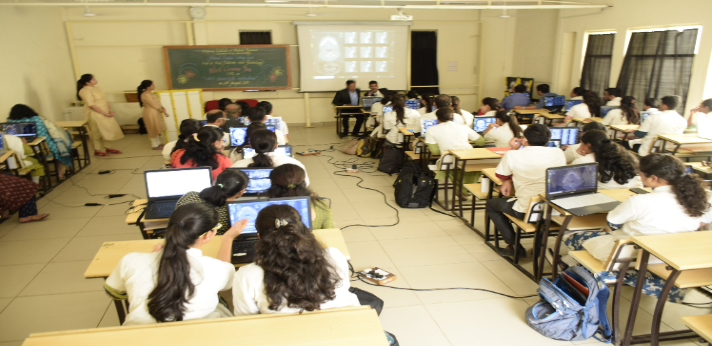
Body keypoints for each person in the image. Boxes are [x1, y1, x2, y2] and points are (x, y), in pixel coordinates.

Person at [564, 154, 712, 303]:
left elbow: (612, 220)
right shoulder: (702, 196)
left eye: (641, 174)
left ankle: (576, 276)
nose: (639, 177)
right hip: (672, 259)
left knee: (574, 237)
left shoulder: (640, 200)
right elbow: (702, 222)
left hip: (627, 256)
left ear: (653, 178)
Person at [104, 203, 244, 325]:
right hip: (199, 334)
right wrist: (228, 239)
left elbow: (114, 293)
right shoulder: (218, 268)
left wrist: (153, 258)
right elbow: (225, 278)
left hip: (139, 336)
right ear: (207, 235)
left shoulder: (131, 260)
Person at [231, 204, 360, 315]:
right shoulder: (334, 255)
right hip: (341, 326)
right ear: (302, 230)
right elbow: (344, 288)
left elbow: (245, 318)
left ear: (259, 236)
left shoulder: (245, 275)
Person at [487, 124, 566, 257]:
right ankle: (539, 246)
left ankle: (514, 246)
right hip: (554, 209)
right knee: (542, 211)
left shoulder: (513, 155)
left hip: (527, 210)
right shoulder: (558, 152)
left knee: (491, 204)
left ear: (524, 140)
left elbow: (501, 175)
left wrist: (513, 149)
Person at [425, 108, 486, 199]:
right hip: (469, 159)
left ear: (438, 119)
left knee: (453, 168)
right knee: (469, 168)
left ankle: (461, 188)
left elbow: (435, 151)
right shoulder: (463, 127)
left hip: (449, 162)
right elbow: (481, 142)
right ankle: (466, 189)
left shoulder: (431, 129)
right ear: (452, 117)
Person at [7, 105, 73, 179]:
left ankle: (35, 177)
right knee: (60, 150)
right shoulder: (36, 119)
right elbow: (42, 135)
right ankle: (60, 173)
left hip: (23, 151)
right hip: (45, 149)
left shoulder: (10, 122)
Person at [176, 169, 249, 235]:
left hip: (176, 240)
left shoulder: (190, 196)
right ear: (241, 192)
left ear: (215, 182)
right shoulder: (232, 213)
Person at [264, 164, 333, 229]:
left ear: (271, 183)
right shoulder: (321, 206)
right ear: (303, 182)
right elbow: (331, 233)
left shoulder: (265, 208)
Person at [232, 130, 310, 186]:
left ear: (251, 146)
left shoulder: (238, 165)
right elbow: (305, 184)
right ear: (276, 145)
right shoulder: (294, 164)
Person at [570, 130, 642, 190]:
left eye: (582, 143)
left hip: (601, 197)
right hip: (630, 192)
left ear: (588, 145)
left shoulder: (582, 161)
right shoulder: (627, 156)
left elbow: (572, 184)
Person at [76, 74, 124, 156]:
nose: (96, 80)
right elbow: (91, 105)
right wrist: (104, 113)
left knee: (107, 130)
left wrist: (110, 111)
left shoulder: (98, 88)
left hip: (104, 112)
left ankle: (108, 148)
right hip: (94, 113)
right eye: (93, 79)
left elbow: (105, 100)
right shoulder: (84, 91)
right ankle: (97, 149)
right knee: (96, 132)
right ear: (87, 82)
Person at [137, 80, 169, 150]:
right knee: (152, 129)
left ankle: (158, 143)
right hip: (150, 113)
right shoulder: (145, 94)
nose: (154, 86)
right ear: (148, 87)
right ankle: (154, 145)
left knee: (156, 128)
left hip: (155, 112)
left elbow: (157, 104)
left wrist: (162, 108)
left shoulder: (149, 93)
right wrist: (161, 109)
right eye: (152, 85)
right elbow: (154, 105)